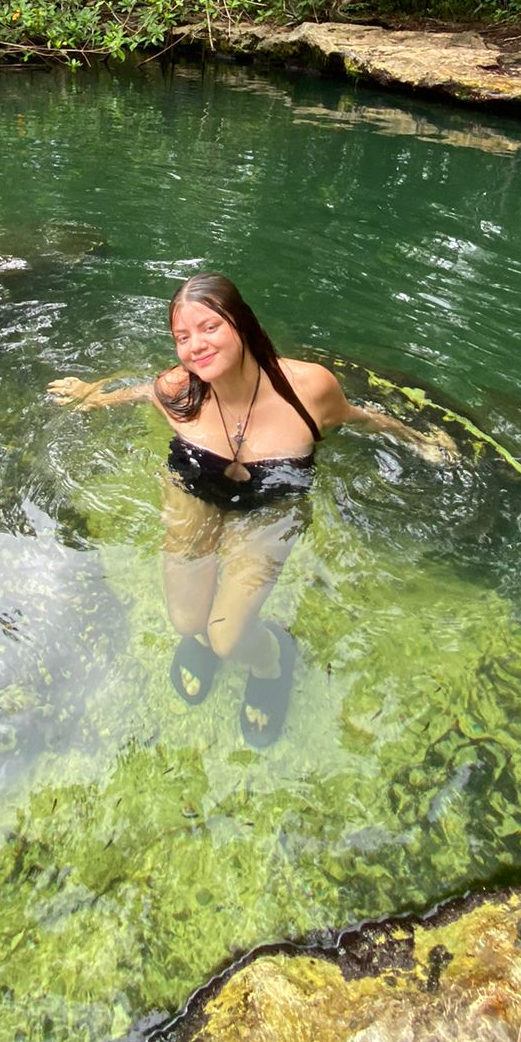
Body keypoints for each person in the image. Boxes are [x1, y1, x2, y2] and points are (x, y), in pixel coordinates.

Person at [49, 272, 454, 748]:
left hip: (271, 506)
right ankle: (199, 642)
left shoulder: (307, 388)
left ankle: (271, 660)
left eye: (209, 327)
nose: (195, 345)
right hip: (193, 489)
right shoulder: (178, 390)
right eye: (182, 336)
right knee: (187, 623)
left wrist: (419, 441)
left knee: (228, 637)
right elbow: (143, 389)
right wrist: (93, 396)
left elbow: (358, 417)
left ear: (240, 324)